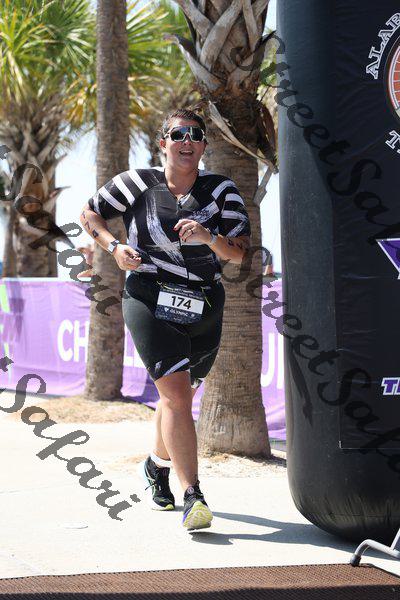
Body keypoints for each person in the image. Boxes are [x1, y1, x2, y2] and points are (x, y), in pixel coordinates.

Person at [79, 108, 251, 531]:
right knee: (175, 396)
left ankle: (156, 465)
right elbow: (89, 213)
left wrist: (210, 238)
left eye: (195, 134)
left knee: (179, 397)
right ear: (163, 143)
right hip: (148, 295)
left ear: (204, 145)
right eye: (178, 134)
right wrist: (114, 247)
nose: (186, 141)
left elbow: (239, 254)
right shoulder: (136, 182)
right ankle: (194, 495)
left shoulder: (221, 190)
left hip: (204, 304)